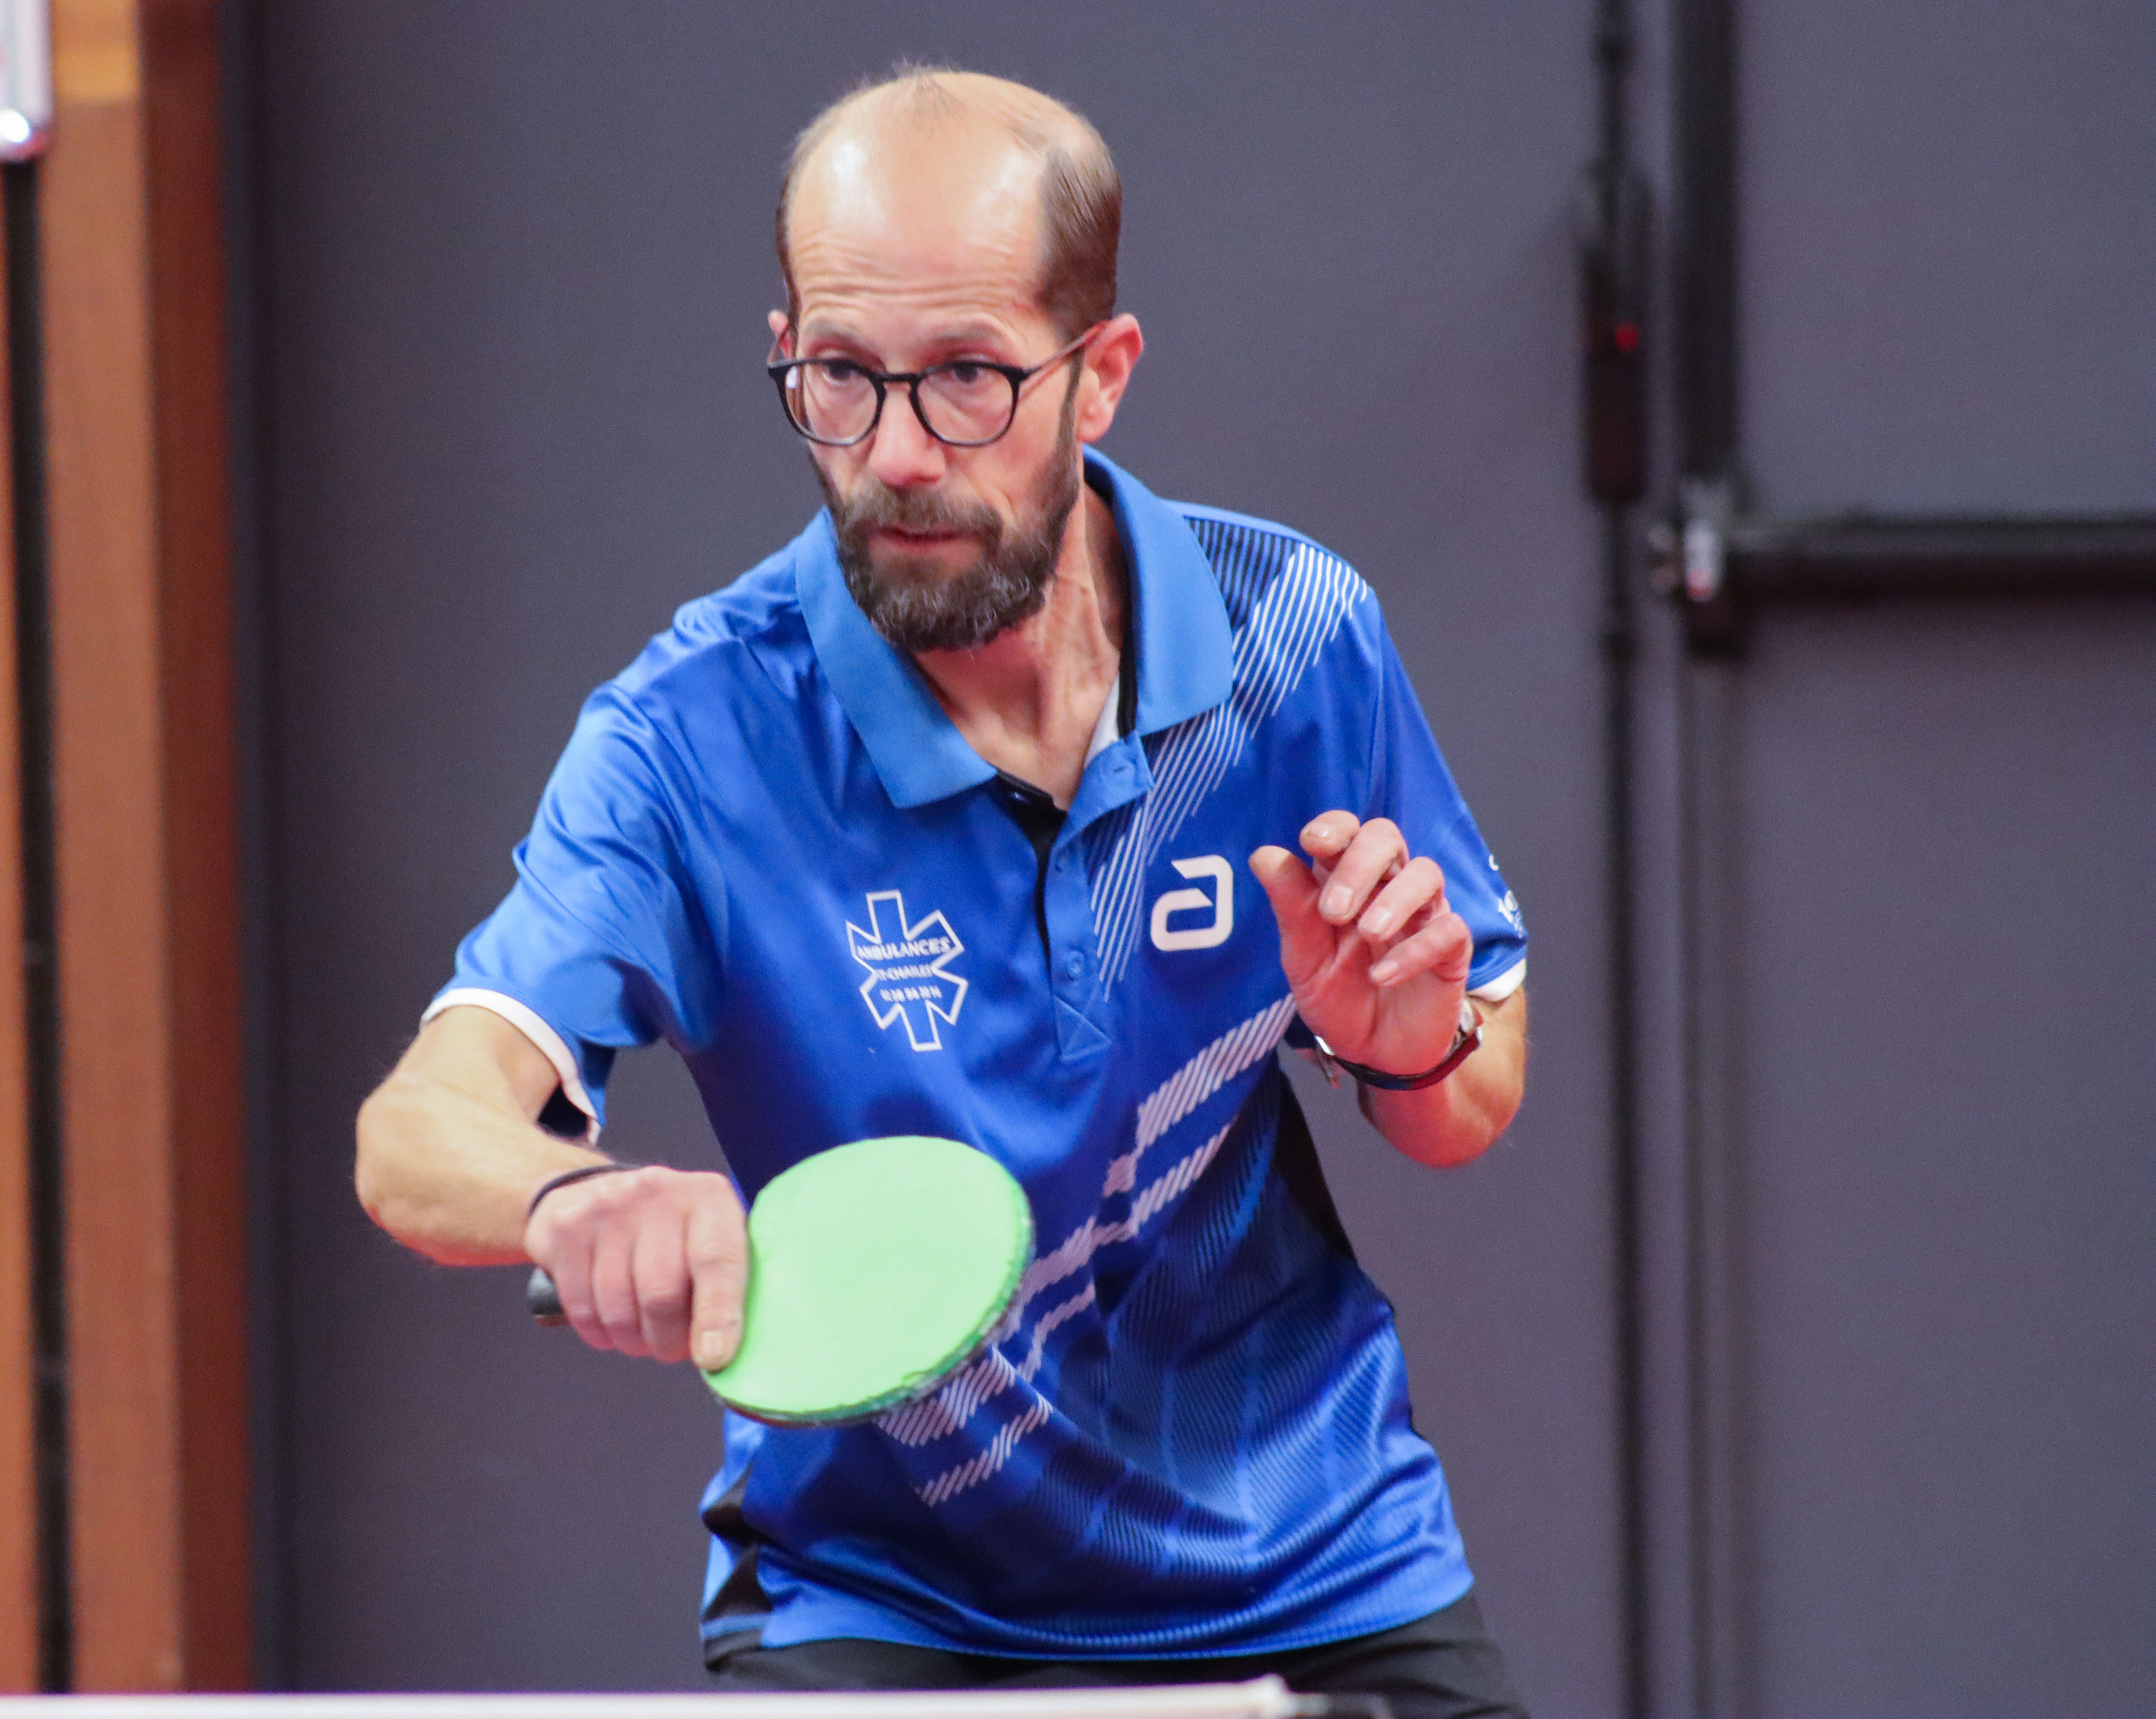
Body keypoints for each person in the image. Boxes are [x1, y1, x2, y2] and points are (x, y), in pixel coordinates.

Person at [356, 66, 1532, 1719]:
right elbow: (418, 1128)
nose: (896, 454)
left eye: (970, 377)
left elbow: (1469, 1094)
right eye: (841, 376)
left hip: (1314, 1558)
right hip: (881, 1594)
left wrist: (1410, 1043)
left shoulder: (1293, 634)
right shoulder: (697, 735)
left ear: (1100, 374)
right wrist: (568, 1203)